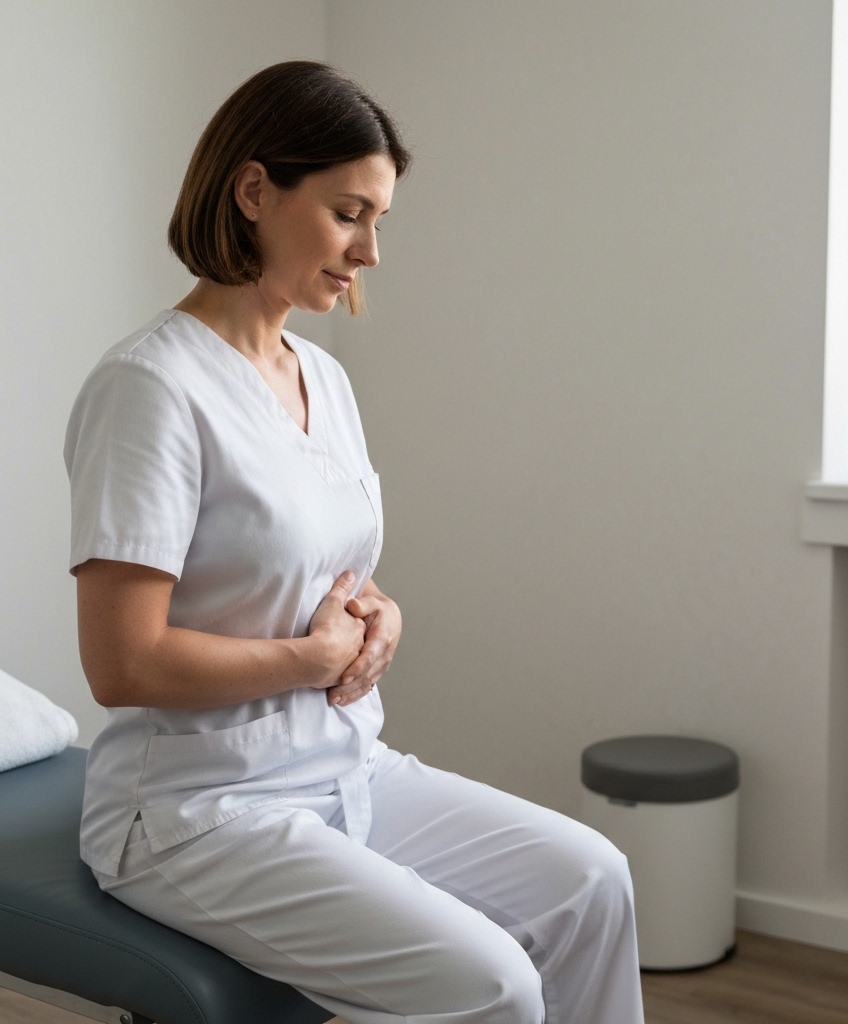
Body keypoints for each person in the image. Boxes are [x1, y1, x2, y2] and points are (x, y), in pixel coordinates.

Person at [65, 61, 644, 1024]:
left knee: (595, 881)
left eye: (379, 220)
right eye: (348, 213)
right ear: (254, 191)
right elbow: (121, 662)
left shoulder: (321, 378)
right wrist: (311, 657)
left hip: (342, 764)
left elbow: (327, 570)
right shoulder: (150, 390)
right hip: (195, 811)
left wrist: (378, 615)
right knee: (494, 989)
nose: (371, 250)